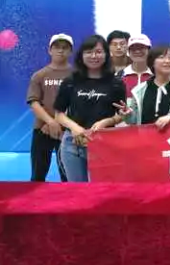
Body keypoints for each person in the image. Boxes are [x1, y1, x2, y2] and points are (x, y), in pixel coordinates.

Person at [53, 35, 126, 182]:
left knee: (102, 190)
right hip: (73, 144)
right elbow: (59, 114)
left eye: (98, 52)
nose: (94, 56)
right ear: (81, 55)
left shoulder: (116, 83)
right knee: (77, 190)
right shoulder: (70, 81)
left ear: (106, 54)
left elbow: (121, 114)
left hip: (104, 143)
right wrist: (74, 128)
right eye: (89, 52)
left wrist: (107, 121)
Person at [26, 33, 73, 182]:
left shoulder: (78, 75)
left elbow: (79, 102)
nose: (61, 50)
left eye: (65, 47)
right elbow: (34, 102)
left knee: (68, 176)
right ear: (49, 50)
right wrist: (50, 122)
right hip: (42, 129)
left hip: (68, 131)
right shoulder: (39, 75)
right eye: (57, 47)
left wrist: (60, 123)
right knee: (37, 175)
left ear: (70, 51)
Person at [123, 45, 170, 128]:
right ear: (152, 62)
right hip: (145, 135)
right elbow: (133, 121)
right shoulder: (139, 91)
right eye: (162, 57)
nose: (167, 61)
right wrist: (127, 114)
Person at [119, 34, 152, 98]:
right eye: (133, 48)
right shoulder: (119, 76)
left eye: (141, 48)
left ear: (149, 50)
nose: (137, 51)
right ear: (128, 52)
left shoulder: (155, 76)